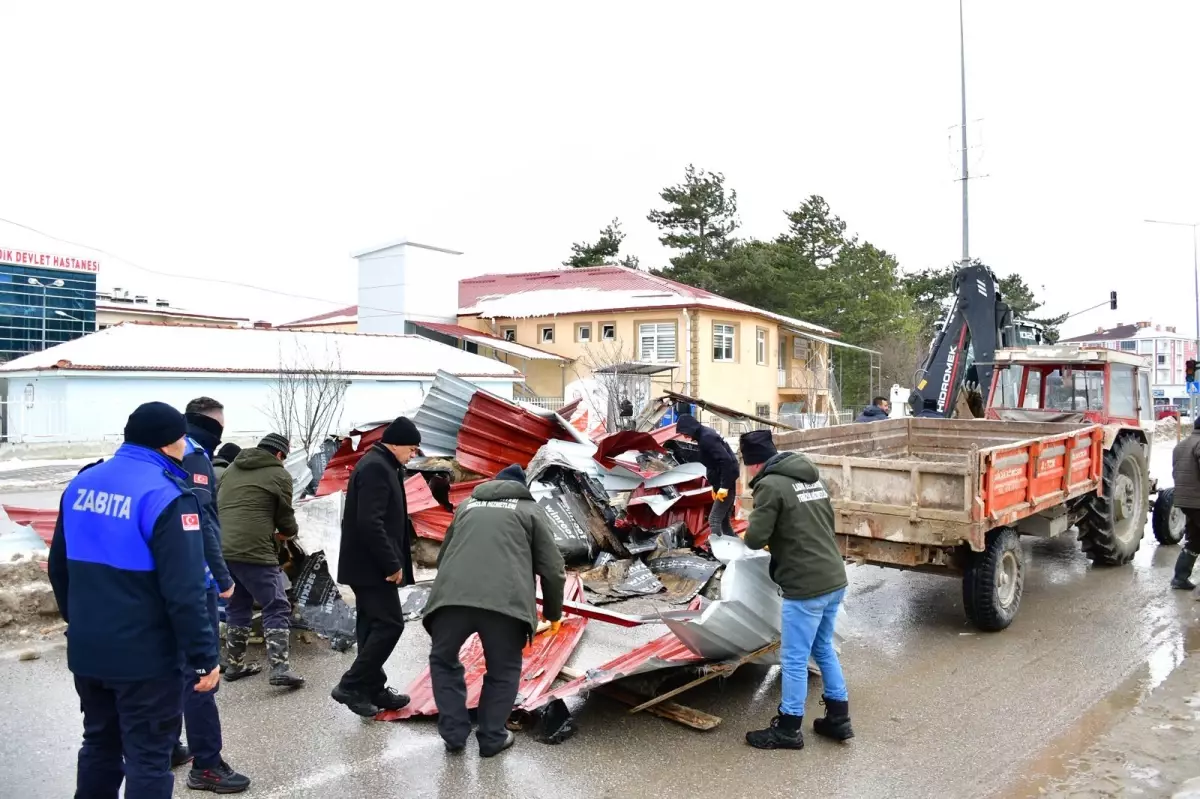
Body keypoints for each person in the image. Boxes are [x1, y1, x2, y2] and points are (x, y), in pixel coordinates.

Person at [48, 402, 221, 798]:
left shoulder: (81, 484)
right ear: (167, 444)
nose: (184, 447)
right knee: (149, 758)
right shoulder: (167, 495)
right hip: (145, 658)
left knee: (100, 745)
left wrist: (81, 622)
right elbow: (186, 590)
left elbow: (59, 567)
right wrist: (203, 658)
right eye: (180, 439)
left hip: (89, 648)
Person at [424, 464, 566, 756]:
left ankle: (453, 734)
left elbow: (444, 556)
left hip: (451, 600)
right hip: (505, 605)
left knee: (443, 661)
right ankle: (491, 738)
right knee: (502, 671)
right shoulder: (530, 511)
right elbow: (552, 570)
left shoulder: (467, 506)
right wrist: (553, 613)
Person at [739, 429, 853, 751]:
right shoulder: (811, 478)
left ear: (752, 464)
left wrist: (757, 529)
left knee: (793, 658)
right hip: (833, 577)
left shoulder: (770, 485)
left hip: (806, 586)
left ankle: (789, 729)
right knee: (823, 649)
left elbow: (754, 538)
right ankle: (838, 719)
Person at [173, 396, 249, 791]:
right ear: (212, 424)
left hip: (161, 581)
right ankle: (206, 763)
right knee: (201, 673)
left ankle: (169, 744)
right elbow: (201, 520)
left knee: (170, 666)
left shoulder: (152, 454)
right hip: (194, 578)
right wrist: (221, 577)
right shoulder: (196, 453)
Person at [332, 416, 422, 717]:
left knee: (371, 626)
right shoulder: (375, 468)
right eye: (411, 449)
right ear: (394, 443)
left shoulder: (386, 465)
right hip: (371, 566)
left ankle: (372, 687)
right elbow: (370, 522)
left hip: (368, 565)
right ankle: (350, 684)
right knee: (390, 624)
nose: (412, 455)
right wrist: (392, 563)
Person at [218, 433, 305, 688]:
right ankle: (280, 668)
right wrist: (287, 534)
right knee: (276, 604)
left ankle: (234, 665)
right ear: (279, 455)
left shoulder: (231, 469)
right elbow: (286, 520)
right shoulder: (279, 474)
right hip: (255, 550)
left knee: (239, 604)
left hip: (223, 549)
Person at [676, 412, 740, 538]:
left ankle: (718, 549)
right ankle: (735, 548)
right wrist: (716, 487)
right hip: (723, 480)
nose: (684, 436)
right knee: (724, 522)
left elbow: (725, 461)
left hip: (726, 481)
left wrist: (724, 487)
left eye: (684, 432)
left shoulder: (707, 438)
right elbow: (714, 463)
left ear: (690, 429)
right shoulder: (704, 436)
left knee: (714, 520)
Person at [1170, 426, 1200, 589]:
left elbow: (1176, 472)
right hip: (1198, 501)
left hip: (1185, 501)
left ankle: (1180, 579)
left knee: (1195, 539)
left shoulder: (1180, 445)